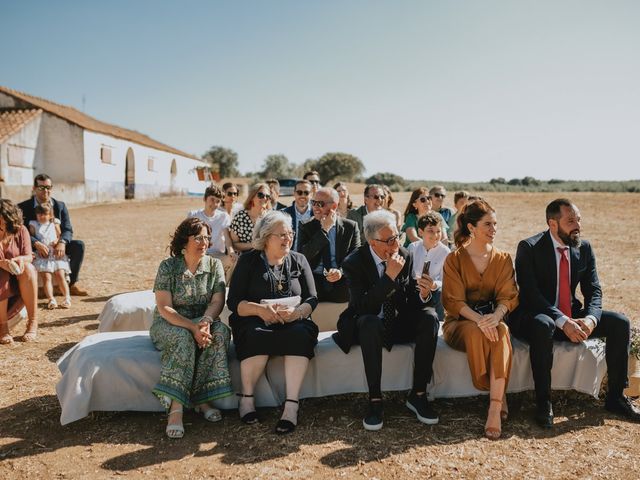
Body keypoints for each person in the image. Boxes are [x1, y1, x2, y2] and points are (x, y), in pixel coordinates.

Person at [509, 198, 640, 428]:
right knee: (543, 325)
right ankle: (543, 403)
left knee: (620, 322)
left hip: (573, 315)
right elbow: (530, 295)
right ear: (552, 224)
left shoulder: (584, 247)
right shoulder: (528, 248)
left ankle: (616, 398)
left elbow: (594, 290)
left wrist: (590, 320)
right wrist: (562, 322)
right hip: (536, 316)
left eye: (578, 219)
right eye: (570, 220)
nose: (577, 225)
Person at [332, 210, 440, 431]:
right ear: (372, 242)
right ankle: (375, 400)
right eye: (389, 240)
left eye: (397, 237)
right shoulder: (353, 262)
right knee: (370, 322)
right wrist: (389, 277)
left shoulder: (404, 255)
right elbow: (362, 307)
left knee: (430, 317)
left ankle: (418, 394)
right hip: (365, 324)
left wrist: (424, 293)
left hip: (395, 323)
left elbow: (409, 298)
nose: (395, 244)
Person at [227, 210, 319, 434]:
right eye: (282, 234)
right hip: (255, 320)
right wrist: (260, 310)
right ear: (267, 237)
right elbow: (234, 301)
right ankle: (247, 398)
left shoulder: (299, 260)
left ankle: (291, 405)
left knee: (300, 335)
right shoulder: (248, 261)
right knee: (256, 334)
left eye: (290, 233)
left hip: (293, 321)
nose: (288, 238)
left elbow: (312, 298)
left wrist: (297, 313)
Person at [441, 199, 519, 440]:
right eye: (488, 224)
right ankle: (498, 392)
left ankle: (494, 406)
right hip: (460, 322)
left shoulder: (504, 258)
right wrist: (480, 320)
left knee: (502, 330)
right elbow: (453, 301)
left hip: (493, 318)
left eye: (495, 224)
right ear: (472, 228)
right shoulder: (454, 259)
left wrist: (495, 316)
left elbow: (509, 295)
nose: (493, 229)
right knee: (479, 331)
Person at [150, 217, 233, 439]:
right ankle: (176, 410)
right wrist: (192, 327)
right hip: (170, 322)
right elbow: (164, 307)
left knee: (222, 333)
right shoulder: (168, 267)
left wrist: (204, 322)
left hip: (202, 320)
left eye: (207, 237)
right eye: (198, 238)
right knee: (184, 339)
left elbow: (218, 300)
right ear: (183, 241)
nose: (204, 242)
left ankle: (202, 399)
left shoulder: (214, 264)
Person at [18, 174, 88, 296]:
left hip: (55, 244)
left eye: (48, 187)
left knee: (78, 246)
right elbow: (21, 231)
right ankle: (29, 287)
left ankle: (70, 284)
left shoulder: (60, 206)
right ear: (34, 188)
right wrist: (36, 243)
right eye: (41, 187)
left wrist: (62, 242)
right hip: (34, 245)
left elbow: (67, 229)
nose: (46, 191)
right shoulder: (23, 207)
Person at [296, 187, 360, 302]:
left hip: (341, 280)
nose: (315, 207)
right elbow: (303, 256)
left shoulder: (351, 227)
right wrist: (324, 230)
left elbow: (355, 258)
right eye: (313, 202)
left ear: (334, 206)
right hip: (313, 279)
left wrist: (340, 271)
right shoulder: (305, 226)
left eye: (320, 204)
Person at [0, 199, 38, 344]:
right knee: (1, 273)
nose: (1, 223)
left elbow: (29, 256)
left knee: (29, 268)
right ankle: (3, 328)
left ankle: (33, 322)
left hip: (16, 286)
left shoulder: (21, 230)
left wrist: (20, 259)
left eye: (4, 219)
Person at [407, 212, 450, 320]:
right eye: (430, 231)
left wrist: (433, 285)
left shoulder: (446, 252)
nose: (435, 235)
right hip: (414, 289)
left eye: (438, 231)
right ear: (421, 232)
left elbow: (445, 280)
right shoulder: (413, 248)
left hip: (434, 291)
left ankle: (438, 324)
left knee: (441, 293)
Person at [28, 203, 71, 309]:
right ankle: (51, 299)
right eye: (39, 214)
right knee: (46, 277)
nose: (41, 216)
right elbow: (32, 237)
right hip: (43, 254)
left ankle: (67, 297)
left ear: (50, 215)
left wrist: (57, 241)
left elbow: (59, 235)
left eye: (44, 214)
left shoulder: (54, 223)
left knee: (60, 275)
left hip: (55, 253)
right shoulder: (33, 224)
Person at [187, 185, 237, 278]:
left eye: (218, 201)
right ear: (205, 199)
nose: (214, 204)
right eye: (212, 199)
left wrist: (231, 251)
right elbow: (187, 237)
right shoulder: (193, 215)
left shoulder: (223, 216)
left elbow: (227, 239)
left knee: (233, 261)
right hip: (198, 253)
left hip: (217, 254)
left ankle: (224, 288)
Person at [229, 183, 271, 254]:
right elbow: (235, 244)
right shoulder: (240, 217)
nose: (264, 198)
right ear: (252, 197)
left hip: (267, 259)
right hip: (246, 259)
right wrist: (253, 245)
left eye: (267, 196)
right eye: (261, 195)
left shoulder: (271, 217)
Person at [283, 180, 313, 250]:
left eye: (306, 193)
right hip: (289, 256)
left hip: (311, 259)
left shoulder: (317, 214)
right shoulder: (283, 214)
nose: (302, 195)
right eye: (299, 192)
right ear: (294, 194)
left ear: (311, 194)